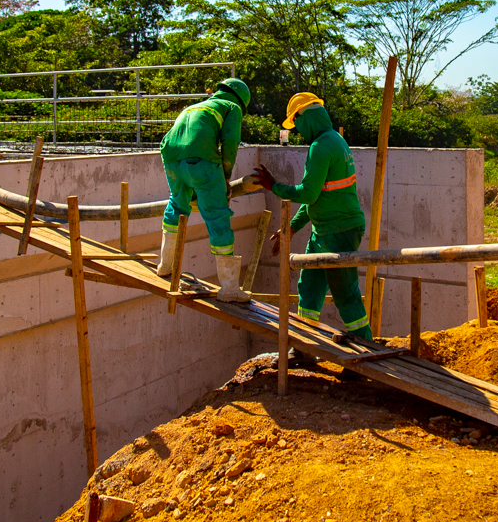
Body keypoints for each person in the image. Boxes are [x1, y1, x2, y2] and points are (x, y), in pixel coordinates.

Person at [255, 93, 372, 344]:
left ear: (304, 117)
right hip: (325, 230)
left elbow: (307, 193)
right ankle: (304, 344)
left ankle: (367, 347)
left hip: (338, 231)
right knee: (309, 288)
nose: (297, 130)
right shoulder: (336, 140)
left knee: (345, 292)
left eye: (296, 123)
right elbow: (318, 197)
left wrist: (273, 186)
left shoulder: (321, 147)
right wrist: (292, 227)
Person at [156, 77, 253, 302]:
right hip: (200, 158)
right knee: (218, 216)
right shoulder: (232, 107)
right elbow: (230, 144)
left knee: (177, 204)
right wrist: (225, 177)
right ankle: (229, 288)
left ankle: (165, 265)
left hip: (170, 156)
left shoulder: (196, 105)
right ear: (242, 99)